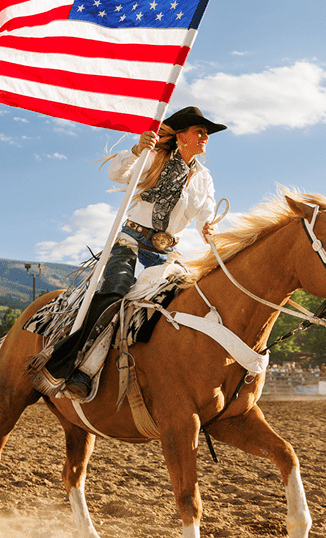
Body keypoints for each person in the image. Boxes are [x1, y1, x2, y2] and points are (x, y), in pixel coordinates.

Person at [38, 106, 227, 399]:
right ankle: (80, 368)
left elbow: (204, 213)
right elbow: (116, 173)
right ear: (182, 136)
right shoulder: (152, 155)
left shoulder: (204, 178)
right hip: (131, 239)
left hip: (166, 252)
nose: (205, 137)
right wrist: (137, 149)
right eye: (199, 131)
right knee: (115, 291)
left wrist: (207, 229)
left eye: (206, 134)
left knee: (184, 303)